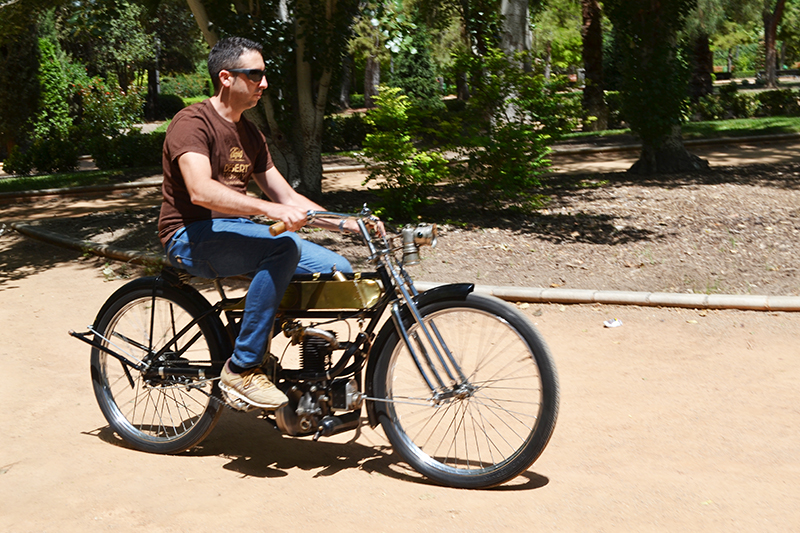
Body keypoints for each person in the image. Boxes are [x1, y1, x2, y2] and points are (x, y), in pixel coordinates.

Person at [158, 36, 364, 411]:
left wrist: (348, 224)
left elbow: (287, 197)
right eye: (255, 75)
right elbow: (201, 191)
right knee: (281, 247)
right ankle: (242, 367)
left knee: (339, 268)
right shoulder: (192, 123)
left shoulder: (250, 133)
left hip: (236, 234)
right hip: (189, 235)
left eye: (263, 75)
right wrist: (268, 211)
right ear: (226, 77)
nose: (264, 83)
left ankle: (253, 340)